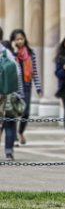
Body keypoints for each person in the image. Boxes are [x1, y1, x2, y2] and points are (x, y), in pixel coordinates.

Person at [9, 29, 42, 145]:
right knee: (13, 113)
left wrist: (38, 87)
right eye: (17, 39)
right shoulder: (10, 54)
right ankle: (13, 138)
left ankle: (20, 132)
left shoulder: (30, 53)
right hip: (13, 86)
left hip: (27, 85)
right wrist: (13, 52)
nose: (20, 41)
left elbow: (35, 72)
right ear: (13, 41)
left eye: (21, 39)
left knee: (26, 112)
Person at [0, 28, 24, 161]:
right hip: (6, 92)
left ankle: (8, 151)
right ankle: (8, 152)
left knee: (6, 123)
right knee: (6, 123)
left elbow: (17, 72)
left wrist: (17, 92)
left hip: (4, 94)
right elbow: (18, 72)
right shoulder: (7, 52)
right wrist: (18, 91)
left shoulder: (5, 52)